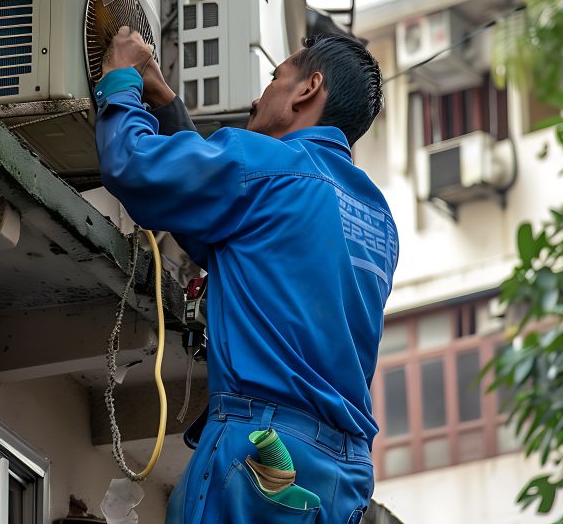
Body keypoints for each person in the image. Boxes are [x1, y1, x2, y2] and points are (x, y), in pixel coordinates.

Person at [94, 26, 398, 524]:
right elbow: (234, 228)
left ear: (308, 89)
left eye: (275, 78)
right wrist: (167, 106)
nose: (258, 98)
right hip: (343, 477)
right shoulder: (376, 217)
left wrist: (121, 78)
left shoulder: (268, 164)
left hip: (265, 450)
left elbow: (133, 166)